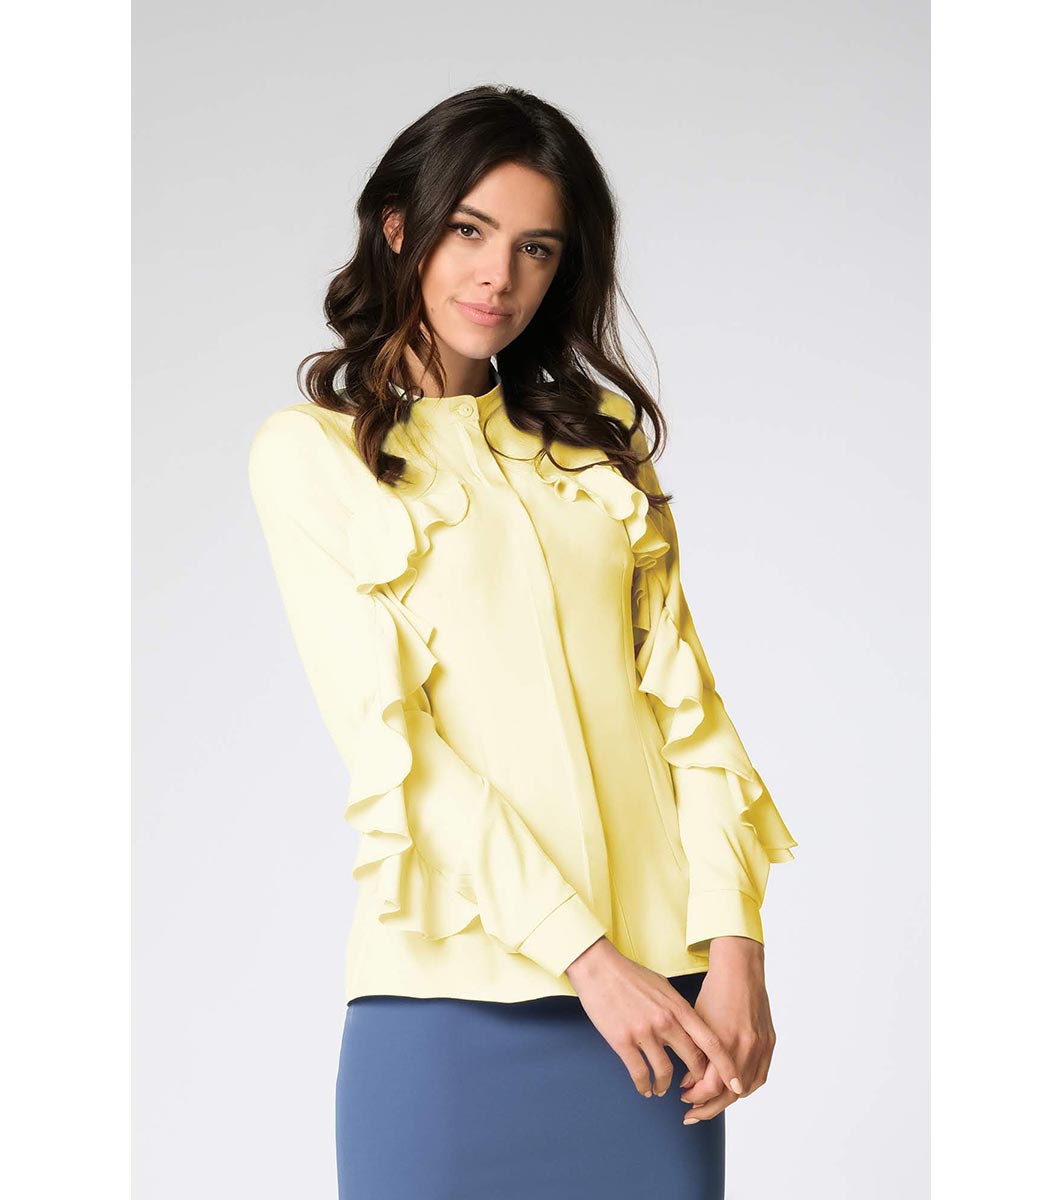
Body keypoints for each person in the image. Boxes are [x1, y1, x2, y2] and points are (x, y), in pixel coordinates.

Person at [248, 84, 798, 1200]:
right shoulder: (312, 456)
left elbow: (689, 717)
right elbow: (399, 753)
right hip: (449, 1012)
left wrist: (735, 951)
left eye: (535, 247)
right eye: (469, 230)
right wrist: (589, 961)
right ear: (398, 228)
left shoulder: (602, 453)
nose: (498, 274)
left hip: (662, 1017)